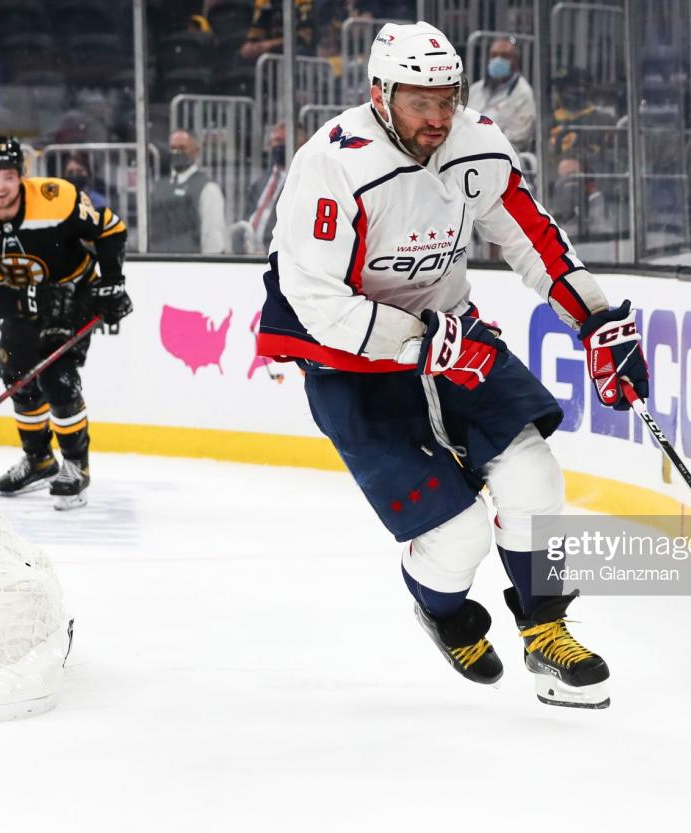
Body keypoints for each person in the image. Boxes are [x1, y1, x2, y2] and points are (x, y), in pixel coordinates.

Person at [255, 22, 650, 709]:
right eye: (419, 102)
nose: (438, 117)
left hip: (452, 334)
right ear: (380, 95)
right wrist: (422, 343)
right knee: (457, 531)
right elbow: (316, 302)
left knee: (535, 476)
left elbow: (533, 238)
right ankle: (443, 612)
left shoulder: (477, 141)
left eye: (448, 98)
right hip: (351, 364)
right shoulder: (333, 163)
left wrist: (594, 316)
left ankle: (546, 633)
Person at [0, 137, 133, 510]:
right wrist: (30, 298)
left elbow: (111, 229)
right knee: (17, 377)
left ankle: (76, 465)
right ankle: (39, 461)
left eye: (8, 175)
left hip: (75, 291)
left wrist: (112, 282)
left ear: (21, 176)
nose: (1, 185)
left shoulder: (57, 197)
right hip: (24, 301)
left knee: (56, 374)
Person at [148, 129, 228, 254]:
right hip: (158, 263)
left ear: (196, 151)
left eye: (182, 148)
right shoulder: (159, 186)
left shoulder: (208, 189)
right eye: (173, 148)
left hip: (191, 266)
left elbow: (213, 240)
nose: (177, 152)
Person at [466, 38, 536, 153]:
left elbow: (518, 137)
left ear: (515, 61)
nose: (498, 60)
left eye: (504, 56)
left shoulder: (523, 94)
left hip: (501, 154)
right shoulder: (476, 89)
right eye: (494, 56)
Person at [241, 122, 288, 253]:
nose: (278, 146)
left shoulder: (302, 182)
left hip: (274, 257)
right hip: (246, 254)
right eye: (275, 141)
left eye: (284, 141)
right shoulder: (261, 181)